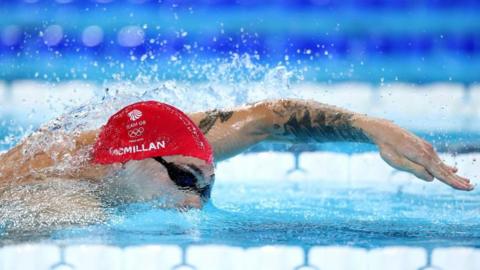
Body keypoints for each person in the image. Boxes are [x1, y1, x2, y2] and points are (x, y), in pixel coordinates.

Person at [0, 99, 474, 218]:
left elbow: (268, 117)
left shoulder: (176, 151)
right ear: (129, 161)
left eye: (207, 182)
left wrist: (373, 128)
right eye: (186, 179)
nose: (197, 200)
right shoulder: (51, 196)